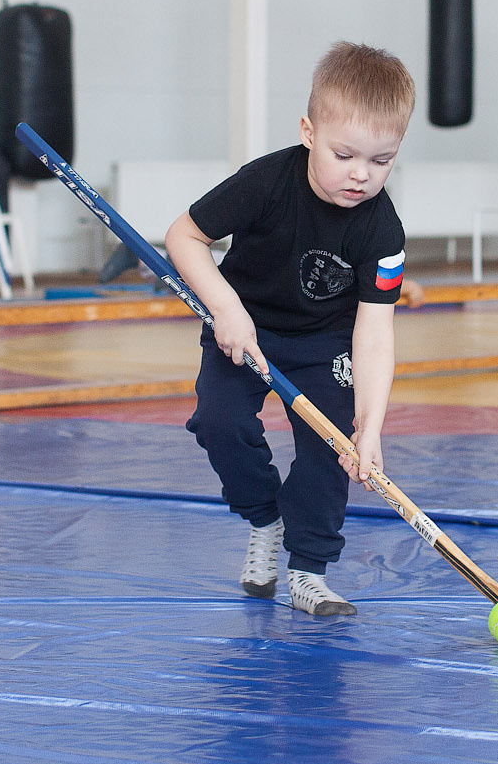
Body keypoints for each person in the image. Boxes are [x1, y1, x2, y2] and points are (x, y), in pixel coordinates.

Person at [163, 42, 413, 617]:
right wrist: (225, 307)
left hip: (324, 343)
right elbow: (184, 236)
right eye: (345, 154)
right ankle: (264, 516)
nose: (360, 174)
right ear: (308, 131)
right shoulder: (266, 182)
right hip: (242, 324)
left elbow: (374, 334)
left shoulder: (384, 231)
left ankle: (309, 570)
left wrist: (369, 427)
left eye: (381, 161)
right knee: (218, 421)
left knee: (333, 448)